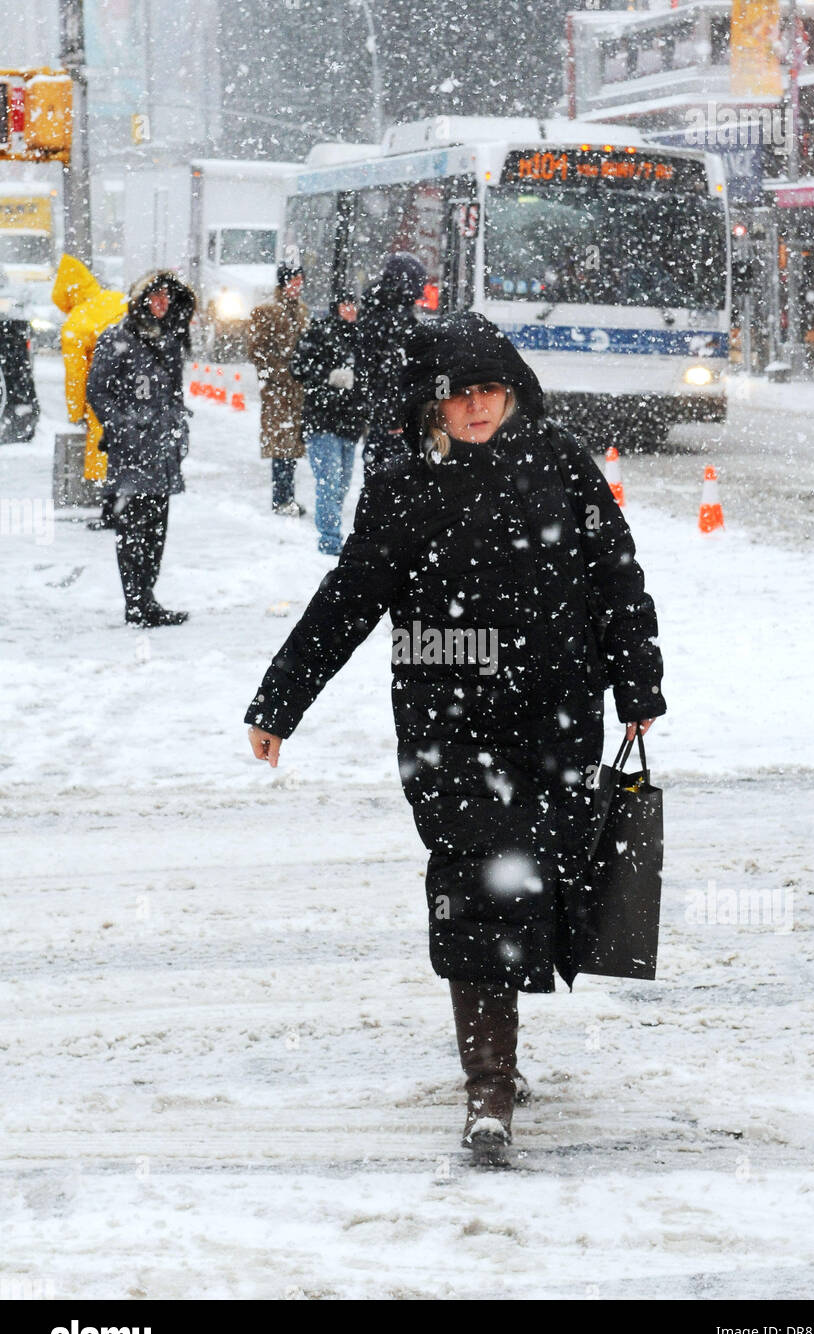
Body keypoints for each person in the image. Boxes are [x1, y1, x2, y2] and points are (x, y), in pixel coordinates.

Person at [244, 312, 666, 1164]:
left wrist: (637, 683)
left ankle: (496, 1049)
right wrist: (280, 700)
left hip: (554, 719)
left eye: (490, 392)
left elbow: (615, 574)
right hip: (449, 724)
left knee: (533, 878)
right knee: (476, 885)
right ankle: (489, 1086)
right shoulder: (405, 483)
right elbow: (352, 594)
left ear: (513, 393)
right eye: (459, 396)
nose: (476, 409)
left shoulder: (560, 465)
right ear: (429, 405)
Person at [86, 269, 195, 627]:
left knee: (157, 530)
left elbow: (174, 395)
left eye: (167, 296)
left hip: (162, 452)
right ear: (141, 299)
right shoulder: (117, 339)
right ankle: (136, 602)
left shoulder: (169, 340)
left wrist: (177, 427)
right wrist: (124, 426)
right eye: (155, 296)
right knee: (133, 530)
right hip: (132, 453)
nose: (162, 303)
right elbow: (97, 391)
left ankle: (147, 598)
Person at [51, 254, 128, 530]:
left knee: (106, 450)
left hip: (105, 387)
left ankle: (111, 513)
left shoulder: (76, 323)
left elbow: (75, 375)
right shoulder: (117, 299)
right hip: (136, 381)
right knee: (132, 444)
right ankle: (133, 507)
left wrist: (77, 411)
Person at [290, 290, 366, 555]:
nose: (350, 309)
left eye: (353, 304)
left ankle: (331, 534)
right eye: (345, 304)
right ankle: (330, 539)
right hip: (322, 421)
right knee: (329, 481)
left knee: (342, 484)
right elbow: (298, 368)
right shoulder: (319, 333)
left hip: (349, 423)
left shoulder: (360, 338)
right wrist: (328, 376)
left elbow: (367, 377)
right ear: (336, 307)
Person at [247, 257, 309, 515]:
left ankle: (287, 496)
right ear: (284, 283)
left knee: (292, 446)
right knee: (281, 446)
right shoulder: (266, 311)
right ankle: (281, 498)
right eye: (295, 281)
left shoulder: (302, 311)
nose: (299, 286)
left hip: (298, 390)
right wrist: (278, 374)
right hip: (278, 391)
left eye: (300, 281)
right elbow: (256, 350)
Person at [356, 252, 427, 476]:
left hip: (385, 414)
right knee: (394, 479)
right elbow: (392, 371)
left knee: (379, 475)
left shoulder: (378, 308)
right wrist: (396, 415)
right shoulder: (394, 317)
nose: (421, 291)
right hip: (393, 416)